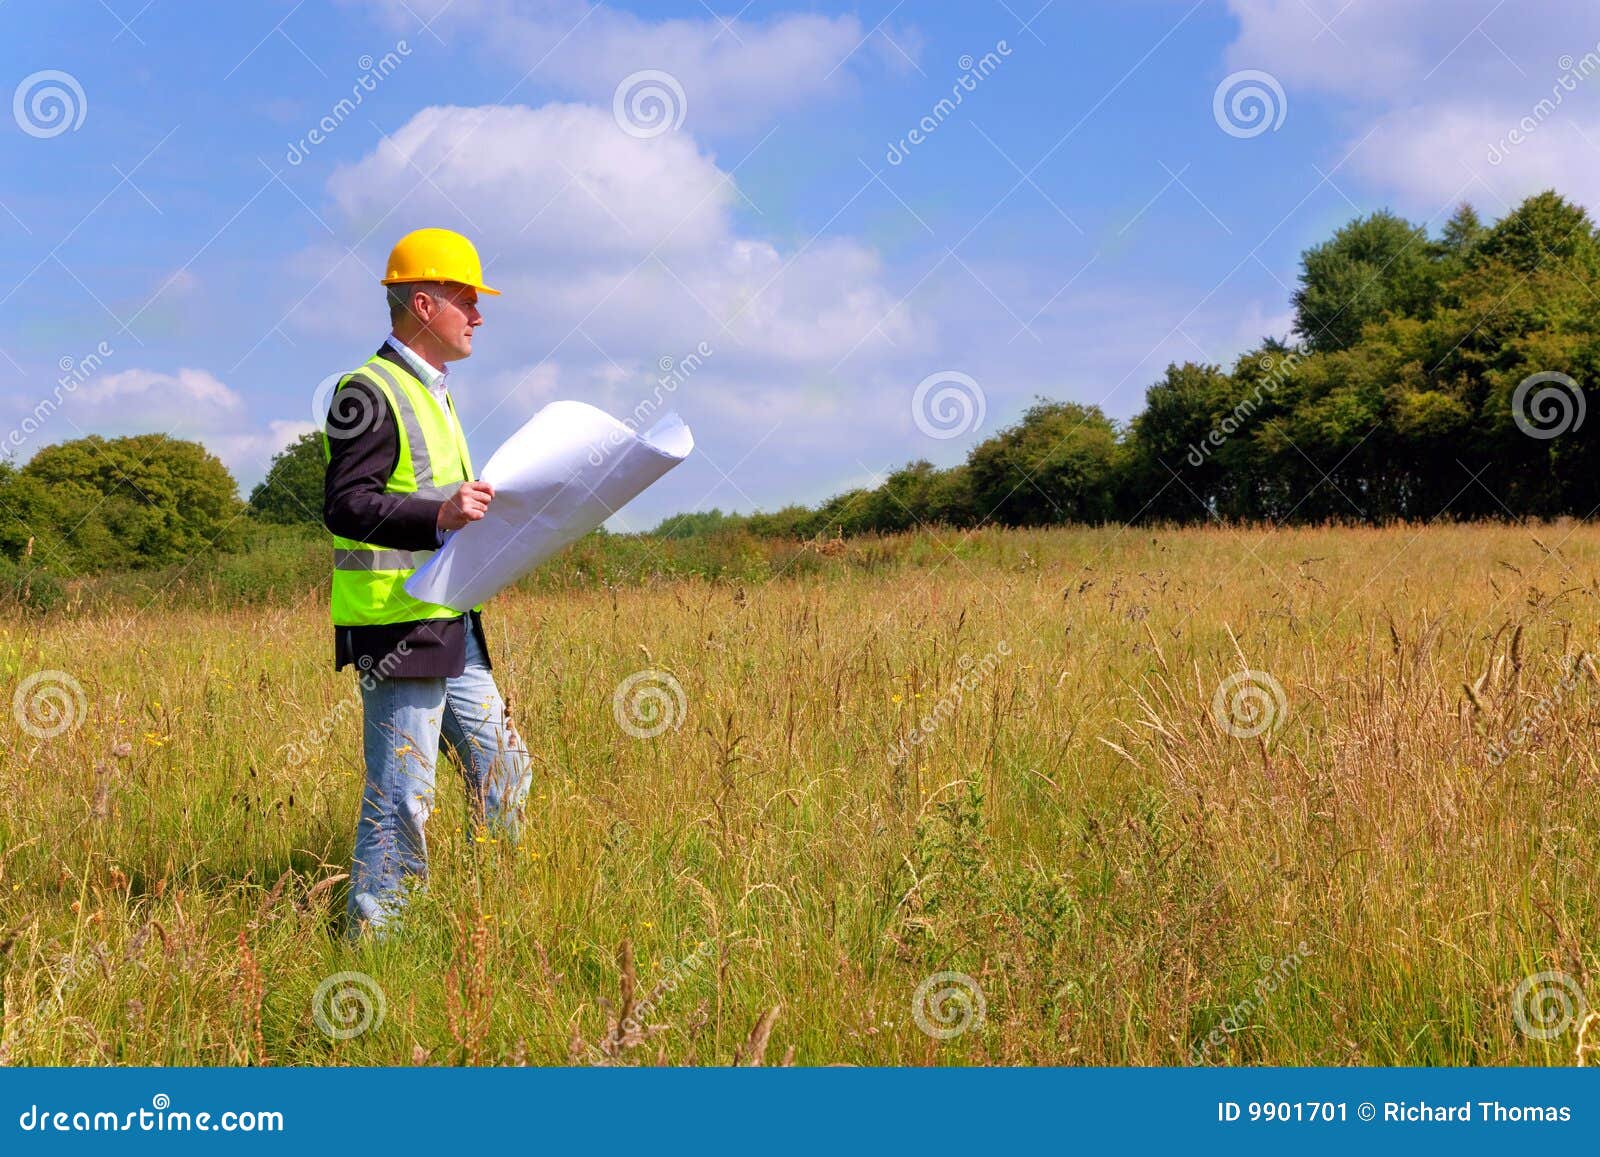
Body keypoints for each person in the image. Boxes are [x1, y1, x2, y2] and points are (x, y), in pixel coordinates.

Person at [320, 226, 532, 936]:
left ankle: (489, 922)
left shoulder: (434, 392)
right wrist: (437, 511)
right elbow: (345, 503)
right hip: (398, 626)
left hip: (452, 623)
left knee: (505, 771)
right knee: (401, 795)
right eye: (465, 299)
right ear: (422, 304)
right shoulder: (369, 390)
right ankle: (377, 946)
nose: (479, 315)